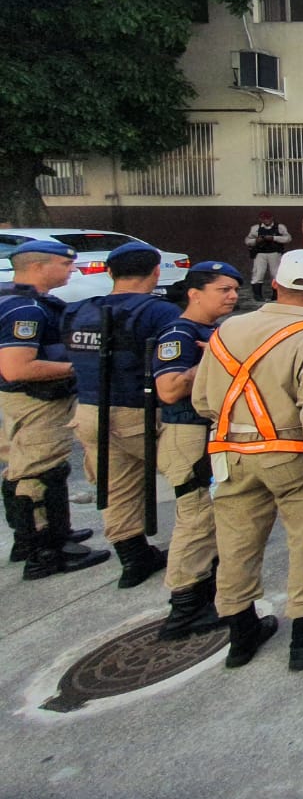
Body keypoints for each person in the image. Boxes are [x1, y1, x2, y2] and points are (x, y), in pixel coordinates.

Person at [192, 248, 303, 671]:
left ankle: (241, 636)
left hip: (230, 454)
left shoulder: (227, 330)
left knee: (235, 545)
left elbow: (201, 400)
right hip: (290, 456)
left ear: (274, 283)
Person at [63, 241, 180, 588]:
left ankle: (133, 559)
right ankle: (200, 553)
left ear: (110, 272)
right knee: (192, 479)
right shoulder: (159, 312)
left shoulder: (80, 310)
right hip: (139, 412)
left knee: (116, 489)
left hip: (88, 410)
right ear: (156, 272)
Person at [1, 239, 107, 580]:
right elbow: (16, 367)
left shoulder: (14, 300)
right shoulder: (26, 309)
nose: (72, 270)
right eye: (64, 264)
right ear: (37, 267)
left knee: (25, 466)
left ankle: (41, 538)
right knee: (40, 472)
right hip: (37, 400)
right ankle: (45, 553)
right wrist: (78, 366)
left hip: (20, 398)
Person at [149, 261, 243, 638]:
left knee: (214, 517)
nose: (233, 296)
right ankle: (184, 609)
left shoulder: (213, 331)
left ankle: (207, 593)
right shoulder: (179, 333)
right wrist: (214, 358)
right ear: (194, 293)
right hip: (188, 434)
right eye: (223, 289)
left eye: (235, 289)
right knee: (196, 520)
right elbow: (170, 388)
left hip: (213, 435)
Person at [243, 211, 291, 302]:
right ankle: (257, 295)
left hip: (275, 253)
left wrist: (274, 238)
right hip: (260, 253)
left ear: (272, 218)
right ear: (260, 219)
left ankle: (276, 294)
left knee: (276, 273)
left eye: (268, 218)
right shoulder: (255, 228)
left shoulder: (280, 227)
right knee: (258, 273)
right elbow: (247, 240)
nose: (266, 220)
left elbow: (288, 238)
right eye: (264, 218)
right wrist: (256, 240)